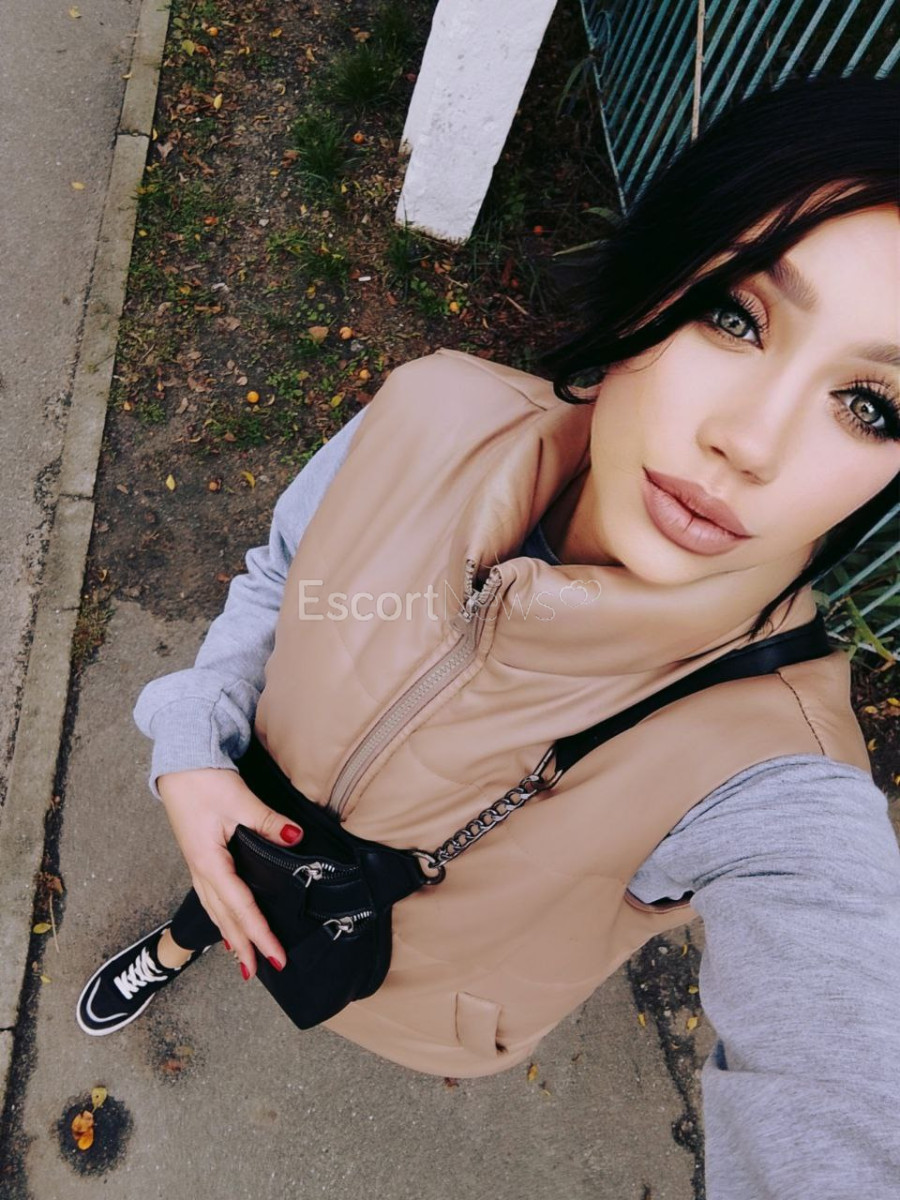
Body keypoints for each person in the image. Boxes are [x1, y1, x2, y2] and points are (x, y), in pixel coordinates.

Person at [77, 77, 899, 1195]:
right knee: (221, 889)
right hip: (251, 817)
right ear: (656, 279)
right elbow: (281, 573)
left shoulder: (776, 776)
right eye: (736, 315)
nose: (750, 444)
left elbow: (846, 1072)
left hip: (412, 1000)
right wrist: (190, 747)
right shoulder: (434, 407)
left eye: (872, 407)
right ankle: (175, 946)